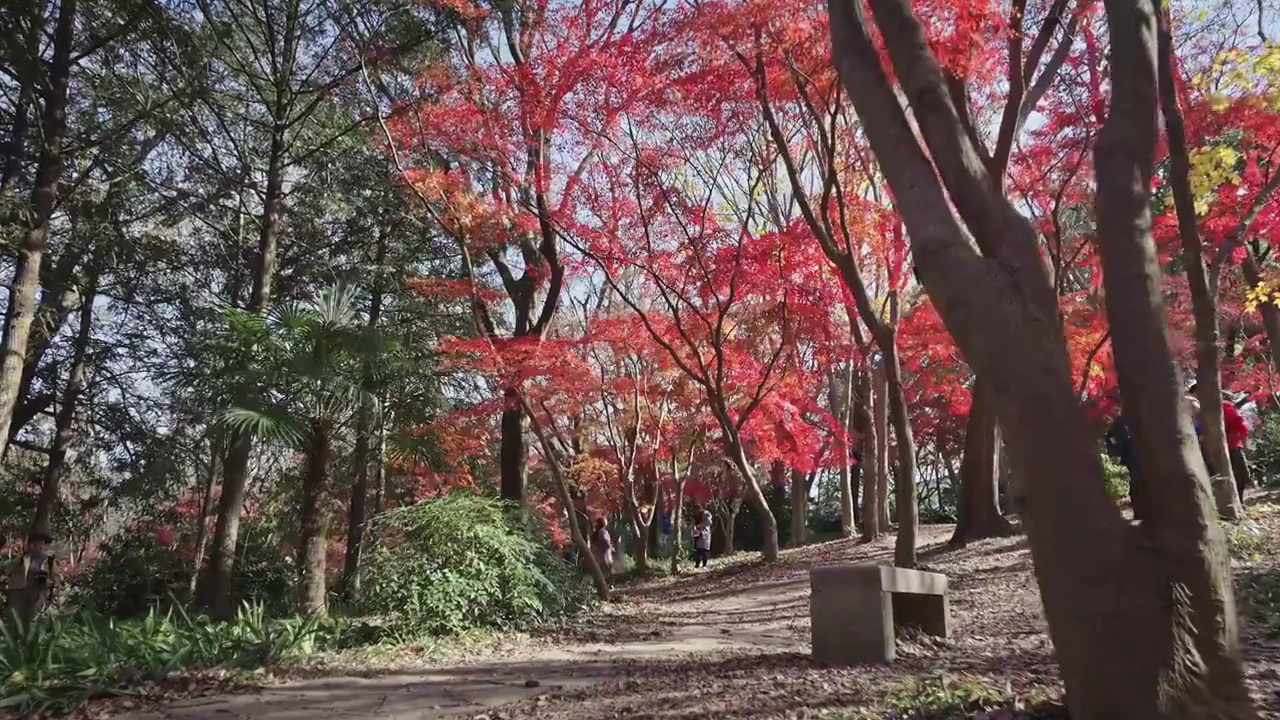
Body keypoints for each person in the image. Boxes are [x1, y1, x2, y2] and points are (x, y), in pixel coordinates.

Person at [6, 532, 60, 622]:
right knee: (17, 613)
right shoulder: (24, 557)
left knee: (35, 614)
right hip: (23, 587)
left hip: (40, 588)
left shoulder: (50, 560)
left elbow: (56, 577)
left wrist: (51, 583)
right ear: (32, 544)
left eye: (43, 543)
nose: (41, 546)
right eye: (38, 543)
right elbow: (10, 569)